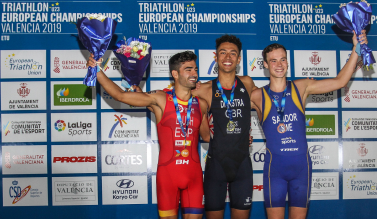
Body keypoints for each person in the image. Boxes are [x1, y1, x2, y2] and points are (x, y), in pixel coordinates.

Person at [250, 30, 368, 219]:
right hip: (275, 171)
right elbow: (226, 103)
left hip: (301, 169)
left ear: (288, 62)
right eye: (273, 61)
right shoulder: (256, 96)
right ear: (265, 64)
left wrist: (357, 48)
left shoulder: (302, 87)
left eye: (282, 59)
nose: (279, 65)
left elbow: (340, 81)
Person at [87, 51, 210, 219]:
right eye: (188, 69)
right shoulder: (160, 99)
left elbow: (208, 137)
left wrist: (234, 136)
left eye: (195, 69)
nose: (194, 74)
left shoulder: (201, 104)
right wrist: (97, 71)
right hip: (168, 178)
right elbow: (120, 95)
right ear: (175, 74)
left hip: (194, 178)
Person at [192, 35, 257, 219]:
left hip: (242, 165)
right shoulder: (203, 89)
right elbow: (176, 98)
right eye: (223, 52)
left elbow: (265, 103)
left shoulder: (248, 83)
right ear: (216, 57)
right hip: (216, 166)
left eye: (232, 53)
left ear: (239, 58)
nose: (227, 57)